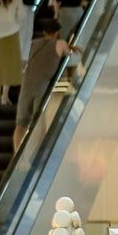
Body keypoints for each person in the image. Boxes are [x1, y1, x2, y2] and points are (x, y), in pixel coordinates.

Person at [15, 17, 80, 148]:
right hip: (41, 88)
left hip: (26, 87)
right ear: (57, 32)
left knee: (21, 125)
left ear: (44, 32)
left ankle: (17, 152)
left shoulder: (33, 42)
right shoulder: (60, 43)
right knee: (38, 124)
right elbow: (70, 55)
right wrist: (72, 48)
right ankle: (35, 152)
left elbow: (23, 61)